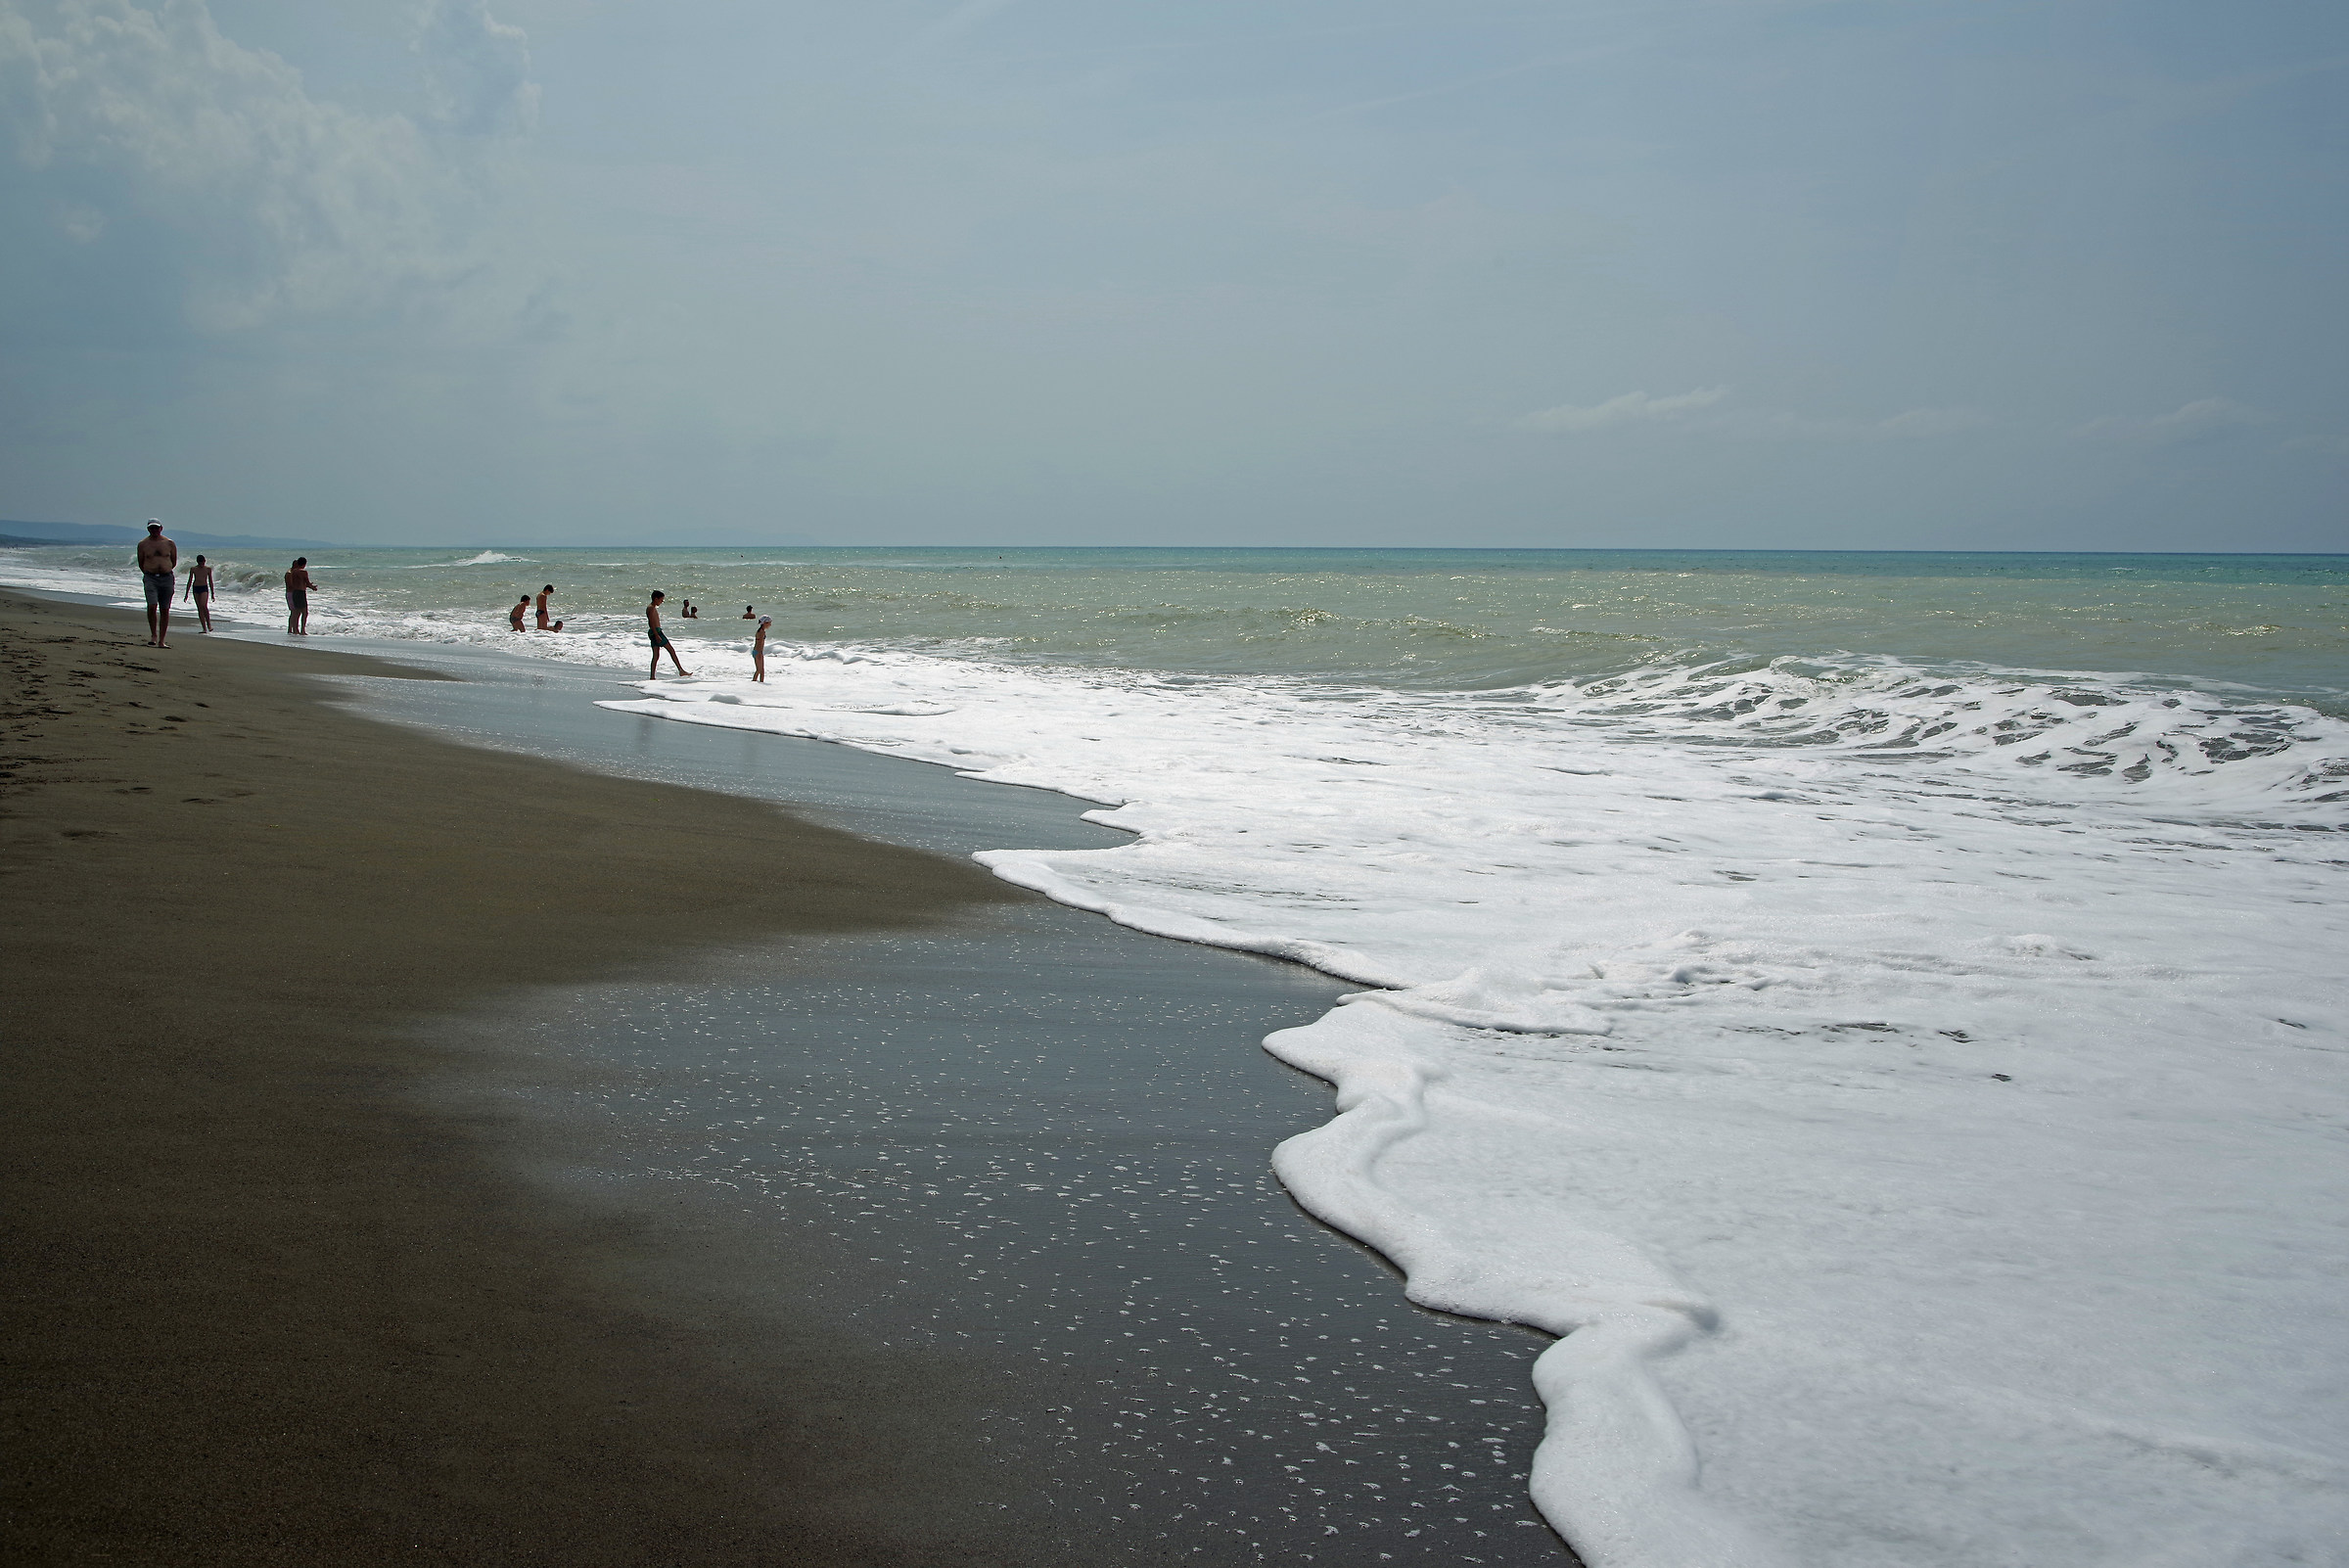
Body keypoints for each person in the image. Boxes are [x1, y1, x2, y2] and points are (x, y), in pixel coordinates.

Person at [136, 521, 176, 648]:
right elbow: (141, 562)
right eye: (152, 528)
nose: (154, 530)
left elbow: (173, 562)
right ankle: (154, 635)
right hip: (151, 578)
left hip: (166, 578)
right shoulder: (143, 544)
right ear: (148, 529)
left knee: (165, 609)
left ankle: (162, 640)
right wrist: (150, 572)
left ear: (161, 528)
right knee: (152, 605)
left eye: (156, 528)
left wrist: (164, 570)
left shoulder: (169, 543)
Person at [646, 591, 690, 678]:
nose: (662, 602)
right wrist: (657, 635)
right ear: (656, 599)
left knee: (656, 656)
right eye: (661, 600)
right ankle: (681, 670)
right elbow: (651, 622)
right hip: (656, 632)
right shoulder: (651, 608)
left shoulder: (652, 607)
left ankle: (652, 677)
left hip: (654, 632)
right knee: (671, 650)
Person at [183, 554, 214, 633]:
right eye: (200, 563)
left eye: (203, 563)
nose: (201, 565)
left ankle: (209, 624)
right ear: (197, 562)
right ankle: (204, 628)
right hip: (196, 588)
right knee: (199, 608)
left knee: (204, 605)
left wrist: (212, 593)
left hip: (204, 588)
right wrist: (186, 593)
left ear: (205, 561)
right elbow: (190, 581)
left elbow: (210, 581)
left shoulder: (208, 569)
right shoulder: (193, 569)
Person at [284, 557, 315, 635]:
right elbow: (307, 582)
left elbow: (295, 583)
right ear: (305, 564)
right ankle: (302, 630)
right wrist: (313, 587)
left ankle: (295, 630)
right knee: (305, 612)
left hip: (294, 592)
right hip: (301, 592)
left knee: (296, 612)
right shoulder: (303, 572)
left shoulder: (293, 572)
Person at [752, 614, 771, 682]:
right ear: (765, 623)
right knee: (760, 670)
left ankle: (756, 682)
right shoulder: (762, 632)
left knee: (759, 670)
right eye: (769, 623)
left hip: (756, 651)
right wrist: (760, 653)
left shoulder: (759, 631)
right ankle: (759, 683)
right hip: (758, 652)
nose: (770, 625)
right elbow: (760, 644)